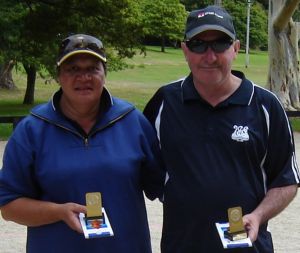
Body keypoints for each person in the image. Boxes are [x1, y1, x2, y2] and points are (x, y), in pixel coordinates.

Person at [143, 5, 300, 253]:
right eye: (198, 44)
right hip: (181, 246)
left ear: (236, 48)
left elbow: (286, 180)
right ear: (185, 50)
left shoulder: (266, 106)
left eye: (220, 44)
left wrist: (258, 215)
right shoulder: (165, 102)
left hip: (248, 246)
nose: (210, 56)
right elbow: (143, 167)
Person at [0, 34, 164, 253]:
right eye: (73, 69)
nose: (84, 77)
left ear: (104, 73)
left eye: (93, 69)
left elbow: (165, 186)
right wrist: (59, 212)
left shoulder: (131, 121)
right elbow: (9, 206)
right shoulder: (32, 130)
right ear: (58, 75)